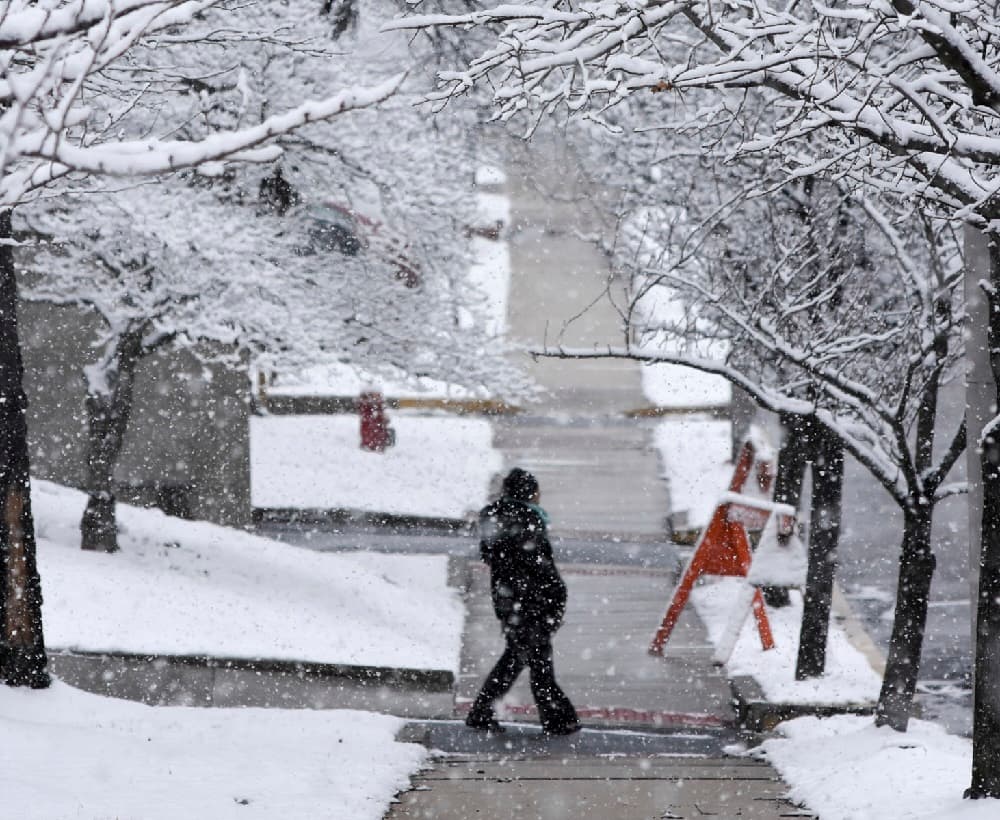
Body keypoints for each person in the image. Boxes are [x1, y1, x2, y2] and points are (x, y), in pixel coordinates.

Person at [465, 467, 580, 736]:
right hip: (532, 603)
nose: (540, 496)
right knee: (536, 662)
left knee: (520, 658)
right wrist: (556, 596)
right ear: (528, 493)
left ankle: (484, 711)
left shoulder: (497, 519)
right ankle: (556, 718)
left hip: (509, 602)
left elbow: (503, 560)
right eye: (537, 490)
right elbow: (540, 566)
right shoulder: (527, 521)